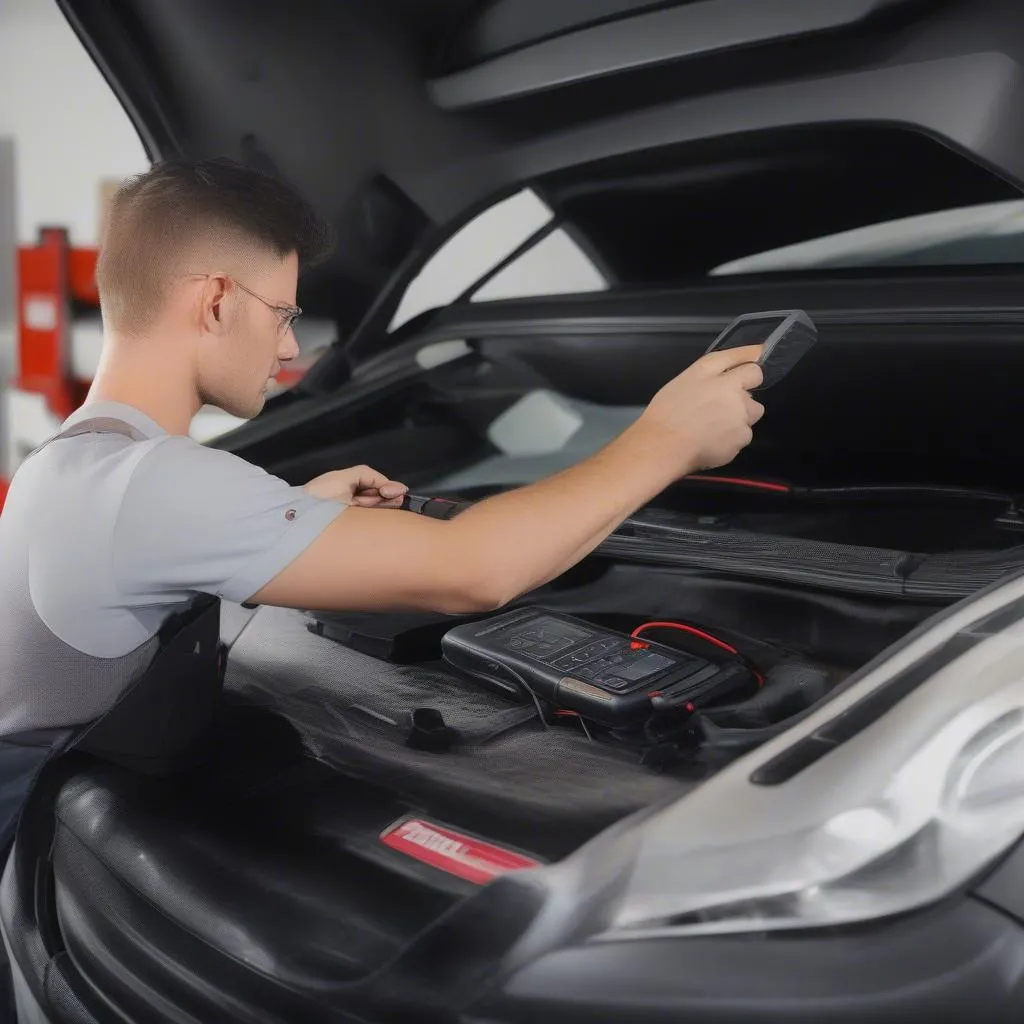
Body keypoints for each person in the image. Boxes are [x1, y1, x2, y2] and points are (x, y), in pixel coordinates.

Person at [0, 157, 764, 744]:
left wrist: (300, 516)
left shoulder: (69, 462)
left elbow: (159, 554)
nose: (292, 344)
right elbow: (475, 572)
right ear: (217, 300)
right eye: (283, 312)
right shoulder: (154, 483)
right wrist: (669, 440)